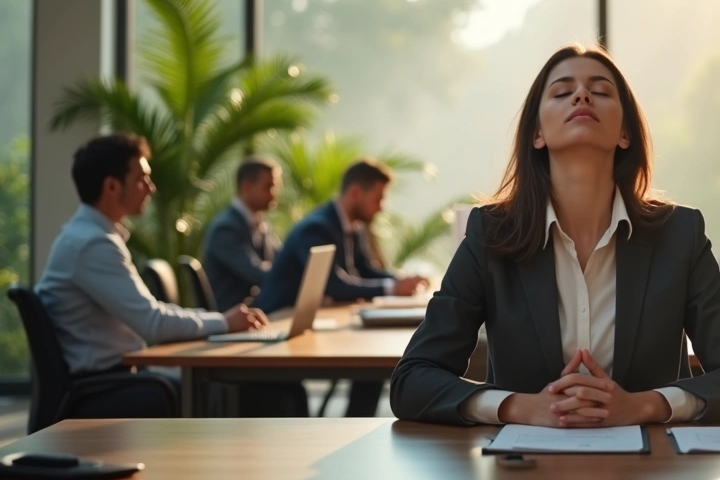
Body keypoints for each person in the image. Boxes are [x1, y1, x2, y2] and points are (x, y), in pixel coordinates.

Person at [390, 44, 720, 427]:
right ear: (536, 133)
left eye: (601, 91)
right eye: (561, 91)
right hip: (520, 474)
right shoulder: (491, 234)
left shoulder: (679, 235)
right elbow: (412, 381)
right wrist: (521, 408)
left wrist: (643, 406)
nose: (581, 95)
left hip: (653, 472)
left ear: (625, 133)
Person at [36, 134, 268, 417]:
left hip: (113, 379)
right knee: (227, 393)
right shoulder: (92, 244)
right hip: (101, 390)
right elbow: (152, 323)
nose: (151, 188)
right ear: (111, 186)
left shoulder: (90, 237)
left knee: (235, 391)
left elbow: (151, 316)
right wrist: (223, 322)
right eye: (141, 179)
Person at [255, 158, 428, 417]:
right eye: (378, 199)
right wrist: (392, 287)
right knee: (369, 366)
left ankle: (355, 425)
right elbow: (336, 284)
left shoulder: (350, 226)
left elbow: (365, 270)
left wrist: (398, 279)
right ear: (356, 192)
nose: (381, 208)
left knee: (370, 366)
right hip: (275, 328)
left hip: (304, 324)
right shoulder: (317, 228)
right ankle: (353, 425)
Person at [203, 157, 282, 311]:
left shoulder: (260, 223)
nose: (274, 195)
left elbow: (281, 258)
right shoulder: (225, 229)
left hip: (257, 311)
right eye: (268, 187)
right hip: (232, 320)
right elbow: (256, 273)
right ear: (247, 187)